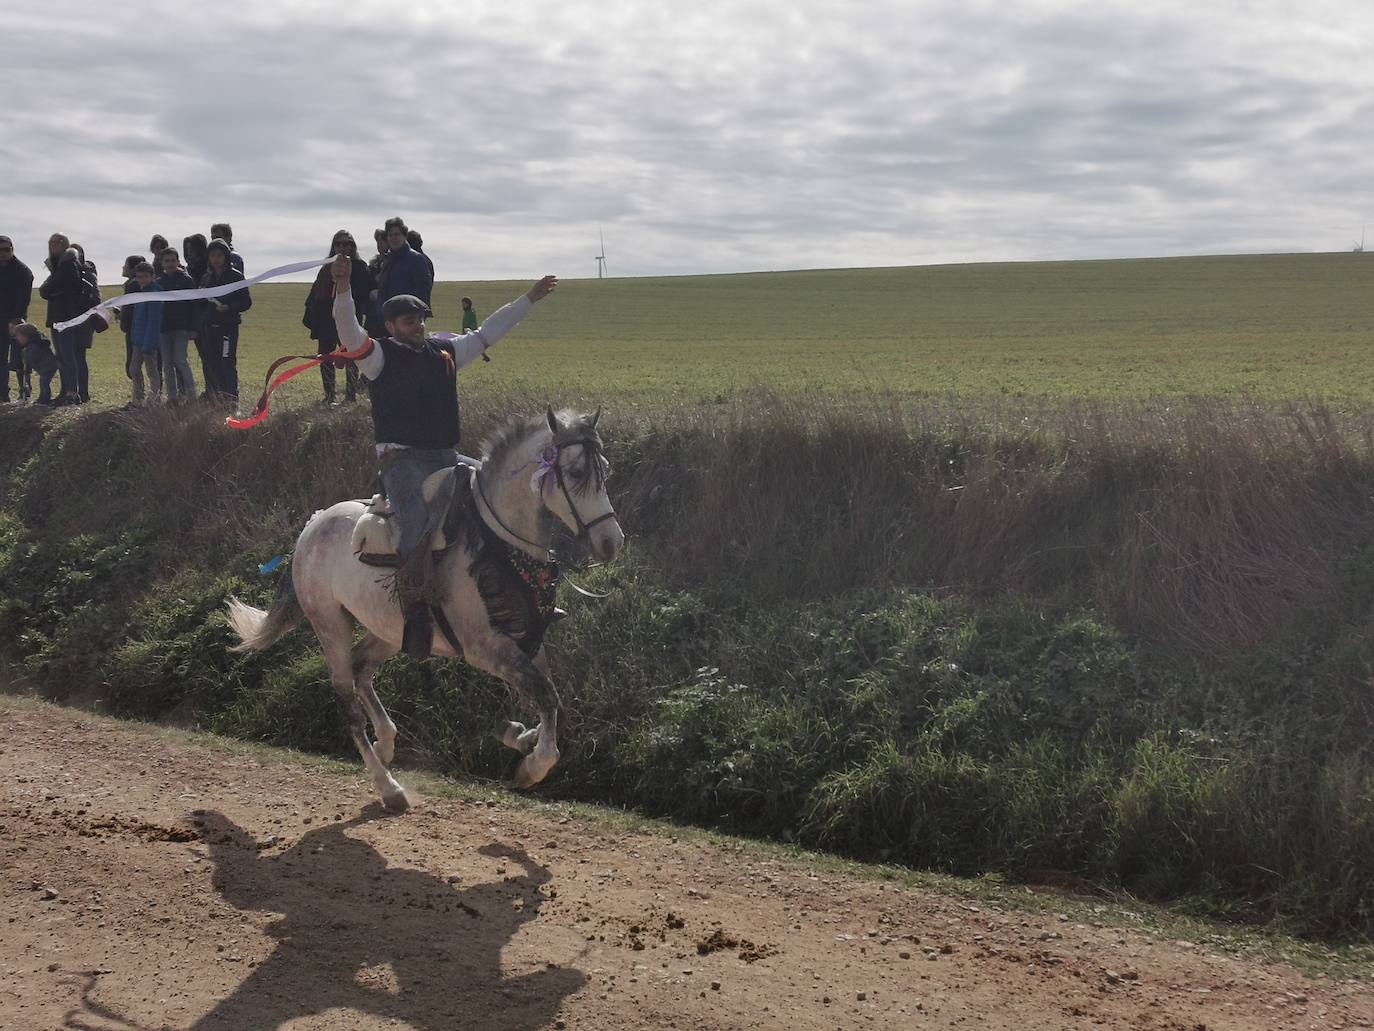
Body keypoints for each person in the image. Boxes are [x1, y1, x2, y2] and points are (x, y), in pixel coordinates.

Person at [330, 252, 557, 659]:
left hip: (447, 457)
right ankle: (416, 609)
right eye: (407, 321)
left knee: (494, 492)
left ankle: (521, 588)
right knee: (414, 520)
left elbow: (489, 331)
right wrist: (343, 290)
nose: (416, 326)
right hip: (403, 462)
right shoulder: (377, 358)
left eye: (420, 320)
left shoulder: (446, 354)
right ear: (390, 327)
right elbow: (348, 332)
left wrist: (529, 299)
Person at [303, 229, 371, 405]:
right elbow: (316, 293)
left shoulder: (360, 267)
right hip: (326, 319)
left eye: (346, 243)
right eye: (338, 243)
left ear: (352, 246)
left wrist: (343, 283)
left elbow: (363, 293)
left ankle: (350, 396)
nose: (342, 247)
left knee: (352, 356)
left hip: (348, 319)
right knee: (325, 357)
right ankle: (329, 395)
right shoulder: (326, 267)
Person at [200, 238, 250, 405]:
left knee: (226, 363)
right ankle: (214, 399)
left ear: (226, 257)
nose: (216, 258)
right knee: (211, 364)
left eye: (219, 255)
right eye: (213, 255)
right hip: (209, 328)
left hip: (227, 328)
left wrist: (228, 307)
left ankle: (231, 400)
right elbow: (200, 303)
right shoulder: (206, 278)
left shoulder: (236, 276)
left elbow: (246, 302)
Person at [38, 235, 84, 405]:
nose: (53, 245)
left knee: (67, 355)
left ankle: (72, 393)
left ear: (64, 245)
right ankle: (65, 391)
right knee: (62, 356)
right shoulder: (59, 265)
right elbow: (46, 289)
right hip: (58, 315)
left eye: (57, 242)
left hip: (66, 316)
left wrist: (48, 291)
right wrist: (48, 290)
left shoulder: (68, 264)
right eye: (50, 242)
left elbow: (53, 287)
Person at [155, 247, 198, 404]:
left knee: (180, 360)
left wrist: (193, 328)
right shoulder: (158, 282)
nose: (170, 263)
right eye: (167, 261)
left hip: (182, 327)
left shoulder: (186, 280)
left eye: (173, 260)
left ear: (178, 262)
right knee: (167, 363)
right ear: (162, 263)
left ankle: (192, 396)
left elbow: (193, 305)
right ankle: (172, 397)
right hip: (164, 328)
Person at [373, 216, 433, 327]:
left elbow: (423, 290)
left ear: (404, 236)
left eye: (397, 234)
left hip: (409, 321)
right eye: (390, 235)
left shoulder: (416, 259)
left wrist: (412, 316)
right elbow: (382, 290)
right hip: (389, 321)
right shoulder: (387, 260)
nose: (394, 238)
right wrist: (382, 313)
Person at [0, 237, 34, 403]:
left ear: (12, 249)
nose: (4, 253)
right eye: (0, 250)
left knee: (19, 359)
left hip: (16, 320)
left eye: (7, 249)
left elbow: (24, 298)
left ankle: (24, 391)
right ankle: (2, 395)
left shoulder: (22, 271)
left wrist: (16, 320)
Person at [126, 262, 162, 406]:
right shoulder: (140, 293)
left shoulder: (155, 294)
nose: (142, 280)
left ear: (152, 276)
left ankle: (154, 398)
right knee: (134, 369)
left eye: (145, 276)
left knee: (151, 371)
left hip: (149, 341)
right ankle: (138, 398)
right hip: (138, 339)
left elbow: (154, 321)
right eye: (139, 277)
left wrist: (149, 343)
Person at [14, 322, 58, 406]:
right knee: (44, 383)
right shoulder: (32, 344)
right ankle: (43, 398)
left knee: (44, 383)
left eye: (18, 336)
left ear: (26, 336)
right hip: (45, 367)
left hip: (47, 367)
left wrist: (25, 354)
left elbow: (33, 356)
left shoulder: (34, 345)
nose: (17, 339)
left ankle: (44, 399)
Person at [118, 254, 143, 387]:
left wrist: (122, 315)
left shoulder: (132, 284)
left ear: (133, 269)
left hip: (133, 328)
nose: (123, 267)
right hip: (134, 327)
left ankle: (138, 395)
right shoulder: (134, 284)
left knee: (133, 364)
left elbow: (130, 307)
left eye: (126, 265)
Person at [364, 228, 389, 339]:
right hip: (373, 314)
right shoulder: (375, 263)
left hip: (388, 313)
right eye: (378, 242)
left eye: (382, 241)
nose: (379, 245)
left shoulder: (394, 262)